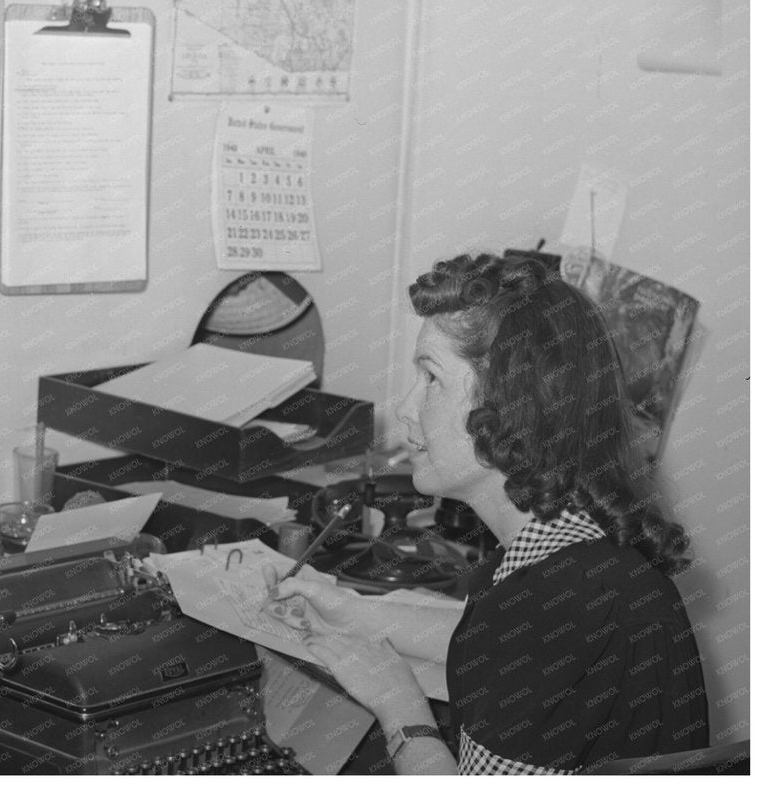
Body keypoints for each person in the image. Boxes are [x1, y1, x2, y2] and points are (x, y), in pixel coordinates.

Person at [264, 253, 708, 774]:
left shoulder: (556, 607)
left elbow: (515, 645)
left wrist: (400, 708)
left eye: (430, 378)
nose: (407, 407)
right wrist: (348, 608)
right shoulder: (578, 547)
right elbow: (492, 647)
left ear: (512, 404)